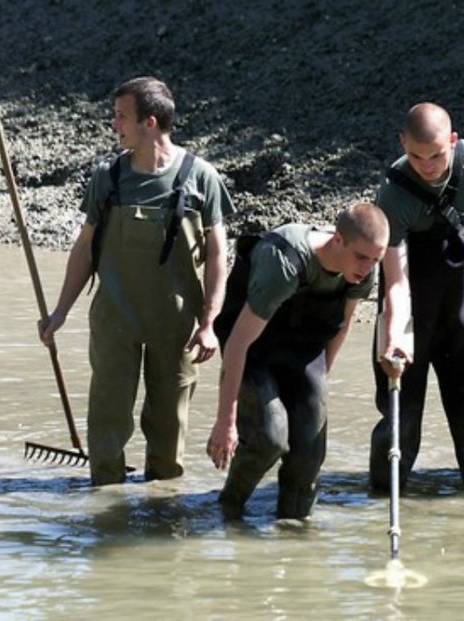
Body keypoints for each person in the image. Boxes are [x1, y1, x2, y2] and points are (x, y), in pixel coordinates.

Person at [39, 76, 235, 486]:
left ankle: (163, 509)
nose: (115, 125)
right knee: (107, 424)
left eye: (121, 116)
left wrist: (210, 324)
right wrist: (59, 313)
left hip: (177, 323)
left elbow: (219, 255)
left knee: (168, 428)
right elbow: (85, 249)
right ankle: (105, 500)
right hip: (114, 319)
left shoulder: (201, 177)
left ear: (149, 123)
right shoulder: (107, 177)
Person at [207, 202, 389, 519]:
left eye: (376, 260)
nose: (367, 268)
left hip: (304, 349)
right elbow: (238, 343)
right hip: (254, 348)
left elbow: (342, 325)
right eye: (361, 257)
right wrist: (226, 422)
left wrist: (320, 382)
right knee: (270, 437)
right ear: (337, 239)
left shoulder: (363, 272)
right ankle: (229, 510)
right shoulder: (285, 263)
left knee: (310, 449)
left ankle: (294, 530)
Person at [370, 102, 464, 494]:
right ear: (402, 143)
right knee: (402, 421)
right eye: (416, 155)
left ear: (453, 140)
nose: (426, 165)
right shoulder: (393, 191)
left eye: (436, 155)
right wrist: (395, 336)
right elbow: (395, 281)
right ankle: (380, 500)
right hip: (412, 314)